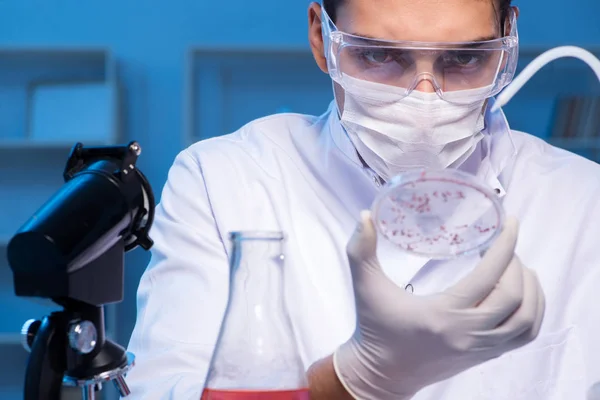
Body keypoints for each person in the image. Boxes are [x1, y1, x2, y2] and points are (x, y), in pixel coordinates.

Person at [125, 0, 600, 398]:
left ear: (508, 40)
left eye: (464, 60)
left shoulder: (584, 202)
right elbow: (164, 390)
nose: (425, 101)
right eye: (378, 57)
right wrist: (355, 378)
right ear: (321, 38)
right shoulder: (223, 181)